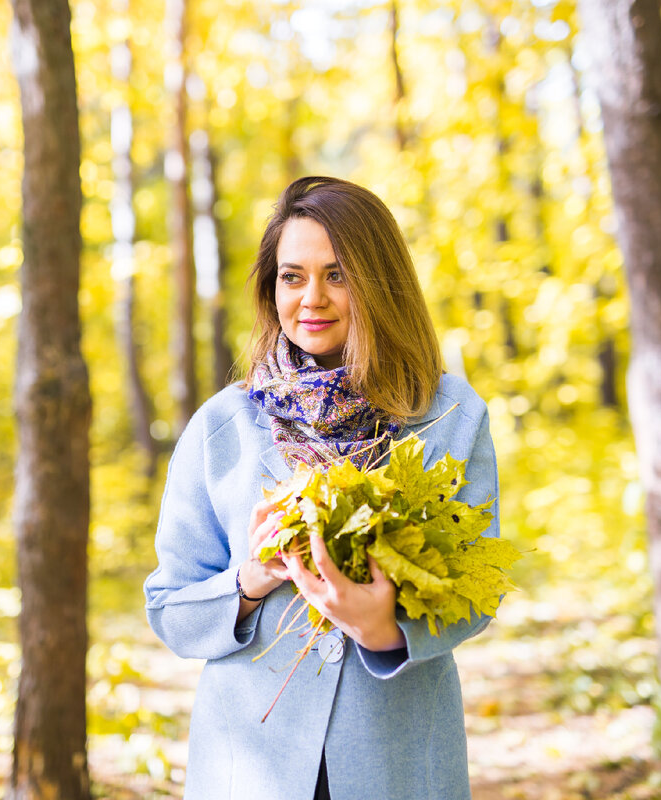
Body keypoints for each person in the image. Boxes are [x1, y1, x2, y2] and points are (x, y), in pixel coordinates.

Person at [144, 176, 501, 799]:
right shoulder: (223, 426)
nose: (313, 297)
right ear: (270, 286)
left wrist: (385, 628)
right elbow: (169, 608)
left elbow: (478, 588)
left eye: (338, 275)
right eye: (292, 276)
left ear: (379, 281)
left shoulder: (448, 413)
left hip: (396, 757)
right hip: (253, 766)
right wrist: (248, 581)